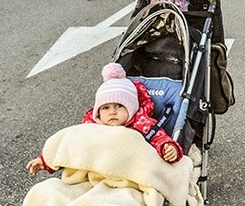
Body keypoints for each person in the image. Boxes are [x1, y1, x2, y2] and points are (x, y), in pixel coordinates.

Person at [26, 63, 182, 175]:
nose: (112, 112)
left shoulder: (141, 123)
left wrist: (168, 147)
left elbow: (159, 138)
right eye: (106, 108)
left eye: (119, 106)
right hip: (98, 170)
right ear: (98, 112)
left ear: (131, 108)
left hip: (129, 171)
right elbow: (70, 147)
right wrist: (46, 160)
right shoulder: (91, 127)